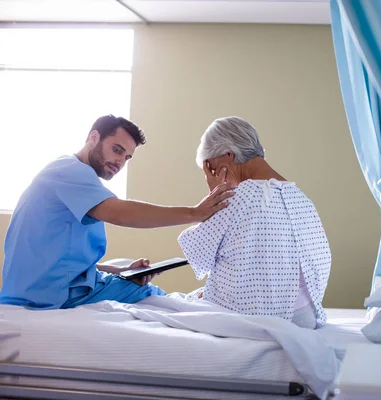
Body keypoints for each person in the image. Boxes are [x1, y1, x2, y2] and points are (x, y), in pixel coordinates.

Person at [0, 115, 235, 310]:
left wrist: (119, 270)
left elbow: (59, 258)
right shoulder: (70, 171)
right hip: (47, 296)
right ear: (93, 138)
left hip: (37, 286)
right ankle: (196, 305)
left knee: (125, 270)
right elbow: (120, 213)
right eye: (116, 150)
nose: (120, 161)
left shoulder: (66, 173)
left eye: (127, 157)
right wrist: (195, 213)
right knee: (153, 297)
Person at [177, 116, 331, 329]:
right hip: (306, 315)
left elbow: (198, 254)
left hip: (253, 317)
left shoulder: (237, 199)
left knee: (171, 303)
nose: (213, 176)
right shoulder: (300, 197)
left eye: (212, 167)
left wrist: (214, 195)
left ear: (228, 155)